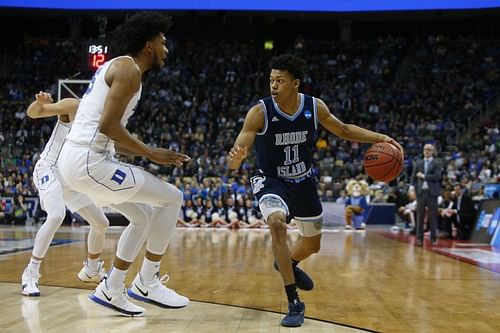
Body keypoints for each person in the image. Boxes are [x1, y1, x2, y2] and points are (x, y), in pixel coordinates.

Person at [228, 53, 402, 327]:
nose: (273, 86)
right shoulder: (260, 111)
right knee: (276, 224)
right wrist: (237, 156)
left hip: (303, 181)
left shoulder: (314, 107)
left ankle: (288, 262)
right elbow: (242, 142)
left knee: (312, 245)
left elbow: (343, 129)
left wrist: (380, 137)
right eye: (271, 80)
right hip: (271, 180)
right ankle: (294, 301)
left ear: (295, 83)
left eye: (280, 81)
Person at [57, 12, 191, 316]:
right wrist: (152, 153)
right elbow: (108, 127)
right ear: (148, 45)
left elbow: (112, 136)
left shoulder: (122, 69)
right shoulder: (128, 69)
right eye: (163, 42)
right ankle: (147, 281)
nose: (166, 50)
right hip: (88, 161)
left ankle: (113, 287)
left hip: (83, 159)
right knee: (172, 198)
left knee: (142, 216)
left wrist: (149, 152)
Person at [21, 92, 110, 297]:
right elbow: (33, 113)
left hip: (72, 178)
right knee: (56, 215)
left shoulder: (105, 124)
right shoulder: (74, 106)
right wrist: (40, 103)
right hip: (49, 168)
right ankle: (30, 273)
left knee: (101, 223)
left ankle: (91, 269)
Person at [412, 143, 442, 247]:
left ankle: (433, 238)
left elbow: (437, 176)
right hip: (421, 192)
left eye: (429, 150)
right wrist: (412, 188)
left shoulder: (437, 163)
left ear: (432, 151)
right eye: (425, 149)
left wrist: (424, 176)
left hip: (432, 193)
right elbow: (414, 177)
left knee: (432, 216)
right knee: (419, 216)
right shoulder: (418, 163)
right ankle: (419, 239)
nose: (426, 151)